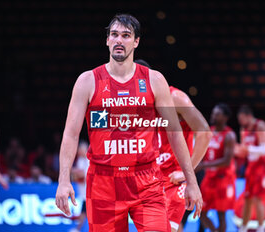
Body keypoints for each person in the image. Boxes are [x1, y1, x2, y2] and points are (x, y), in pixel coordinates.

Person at [55, 14, 202, 231]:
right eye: (114, 35)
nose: (119, 41)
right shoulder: (87, 81)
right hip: (103, 181)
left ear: (136, 42)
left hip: (147, 180)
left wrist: (192, 181)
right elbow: (70, 134)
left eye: (126, 36)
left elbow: (174, 133)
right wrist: (63, 180)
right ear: (107, 40)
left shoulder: (155, 80)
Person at [135, 59, 212, 232]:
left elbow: (204, 132)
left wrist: (187, 171)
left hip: (173, 179)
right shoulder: (138, 104)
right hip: (151, 179)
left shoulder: (175, 97)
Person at [235, 105, 265, 232]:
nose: (240, 123)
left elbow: (264, 149)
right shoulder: (243, 129)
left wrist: (247, 149)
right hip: (251, 167)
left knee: (258, 198)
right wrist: (236, 151)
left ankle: (261, 228)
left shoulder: (260, 126)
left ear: (248, 116)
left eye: (241, 119)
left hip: (264, 167)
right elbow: (244, 152)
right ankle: (244, 228)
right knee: (247, 198)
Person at [198, 103, 236, 232]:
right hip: (209, 178)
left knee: (221, 215)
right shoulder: (209, 131)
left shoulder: (229, 135)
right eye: (213, 113)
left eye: (217, 114)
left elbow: (226, 161)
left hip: (223, 179)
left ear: (225, 118)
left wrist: (204, 165)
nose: (213, 115)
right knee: (201, 213)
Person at [70, 140, 89, 232]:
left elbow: (84, 176)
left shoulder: (90, 160)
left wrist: (75, 172)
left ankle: (78, 229)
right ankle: (77, 229)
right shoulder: (80, 161)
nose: (78, 152)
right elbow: (75, 177)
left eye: (80, 150)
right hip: (84, 192)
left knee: (85, 212)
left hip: (92, 192)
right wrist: (76, 173)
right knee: (84, 212)